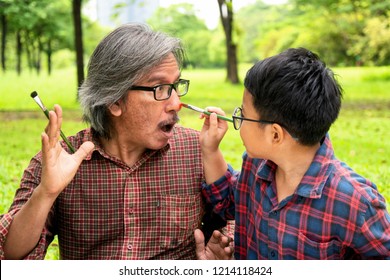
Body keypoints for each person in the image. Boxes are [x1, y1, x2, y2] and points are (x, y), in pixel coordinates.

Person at [0, 23, 231, 260]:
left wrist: (222, 254)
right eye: (160, 88)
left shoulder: (199, 151)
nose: (175, 103)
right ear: (114, 102)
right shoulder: (58, 162)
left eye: (175, 86)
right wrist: (46, 192)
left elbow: (236, 215)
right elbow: (9, 256)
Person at [196, 47, 390, 259]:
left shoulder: (355, 203)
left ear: (275, 135)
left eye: (242, 113)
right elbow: (228, 202)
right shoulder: (256, 167)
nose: (238, 119)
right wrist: (210, 149)